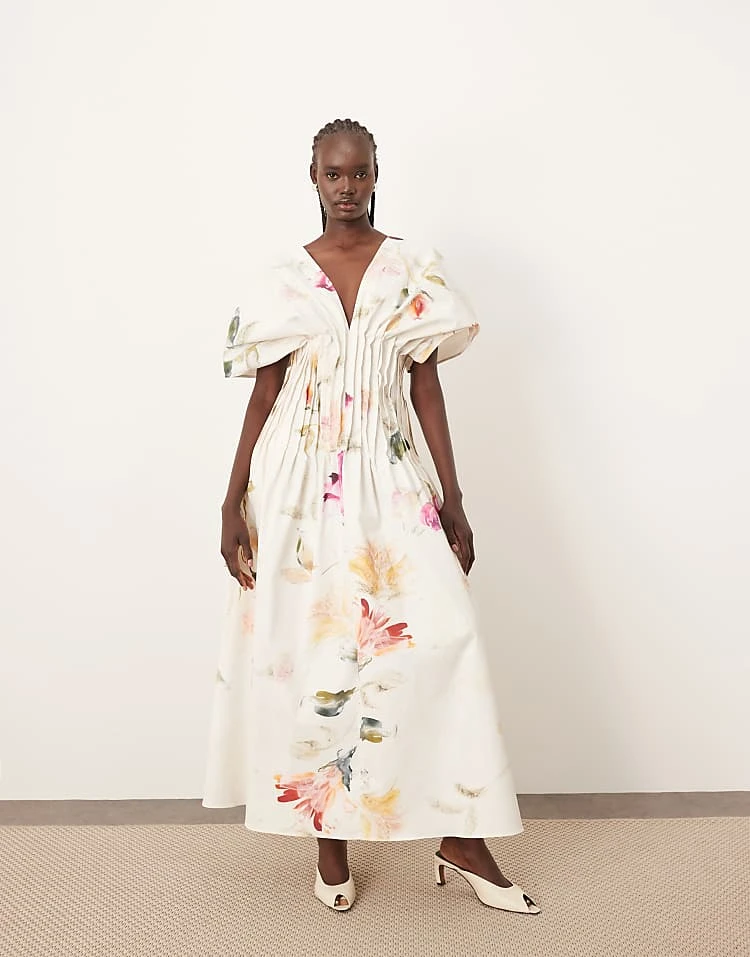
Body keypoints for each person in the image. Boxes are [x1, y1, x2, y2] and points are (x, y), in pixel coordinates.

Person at [202, 118, 540, 915]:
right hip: (297, 485)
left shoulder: (414, 268)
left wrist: (453, 498)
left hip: (391, 480)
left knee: (441, 637)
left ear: (377, 174)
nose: (346, 187)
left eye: (358, 173)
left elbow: (427, 388)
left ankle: (461, 837)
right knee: (314, 653)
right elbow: (264, 394)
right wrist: (230, 501)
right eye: (333, 174)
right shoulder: (283, 279)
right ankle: (329, 837)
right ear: (313, 177)